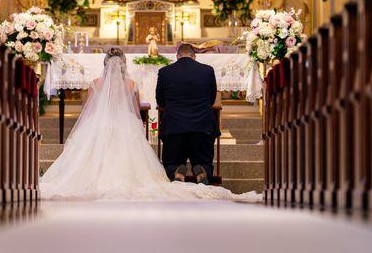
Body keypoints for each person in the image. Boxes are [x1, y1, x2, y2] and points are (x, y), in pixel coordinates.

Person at [39, 47, 260, 202]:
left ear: (105, 63)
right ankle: (199, 168)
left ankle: (175, 169)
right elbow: (136, 113)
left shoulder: (95, 84)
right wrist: (138, 128)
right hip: (152, 124)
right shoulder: (131, 84)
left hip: (98, 127)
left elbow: (88, 111)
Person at [155, 43, 218, 184]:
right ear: (194, 56)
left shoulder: (165, 71)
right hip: (202, 126)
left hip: (174, 126)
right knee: (204, 160)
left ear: (177, 56)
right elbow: (211, 98)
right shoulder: (207, 70)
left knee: (171, 161)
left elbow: (160, 100)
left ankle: (176, 171)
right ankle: (202, 170)